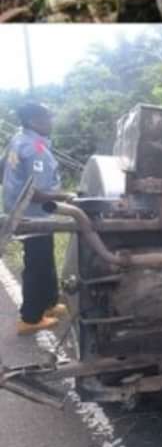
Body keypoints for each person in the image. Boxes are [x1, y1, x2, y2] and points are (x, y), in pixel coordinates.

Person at [2, 103, 66, 335]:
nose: (51, 122)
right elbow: (36, 193)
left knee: (45, 259)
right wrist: (68, 196)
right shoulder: (35, 147)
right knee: (37, 265)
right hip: (33, 215)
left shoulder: (18, 140)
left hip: (22, 211)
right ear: (33, 121)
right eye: (47, 118)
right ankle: (29, 318)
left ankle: (48, 304)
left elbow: (3, 171)